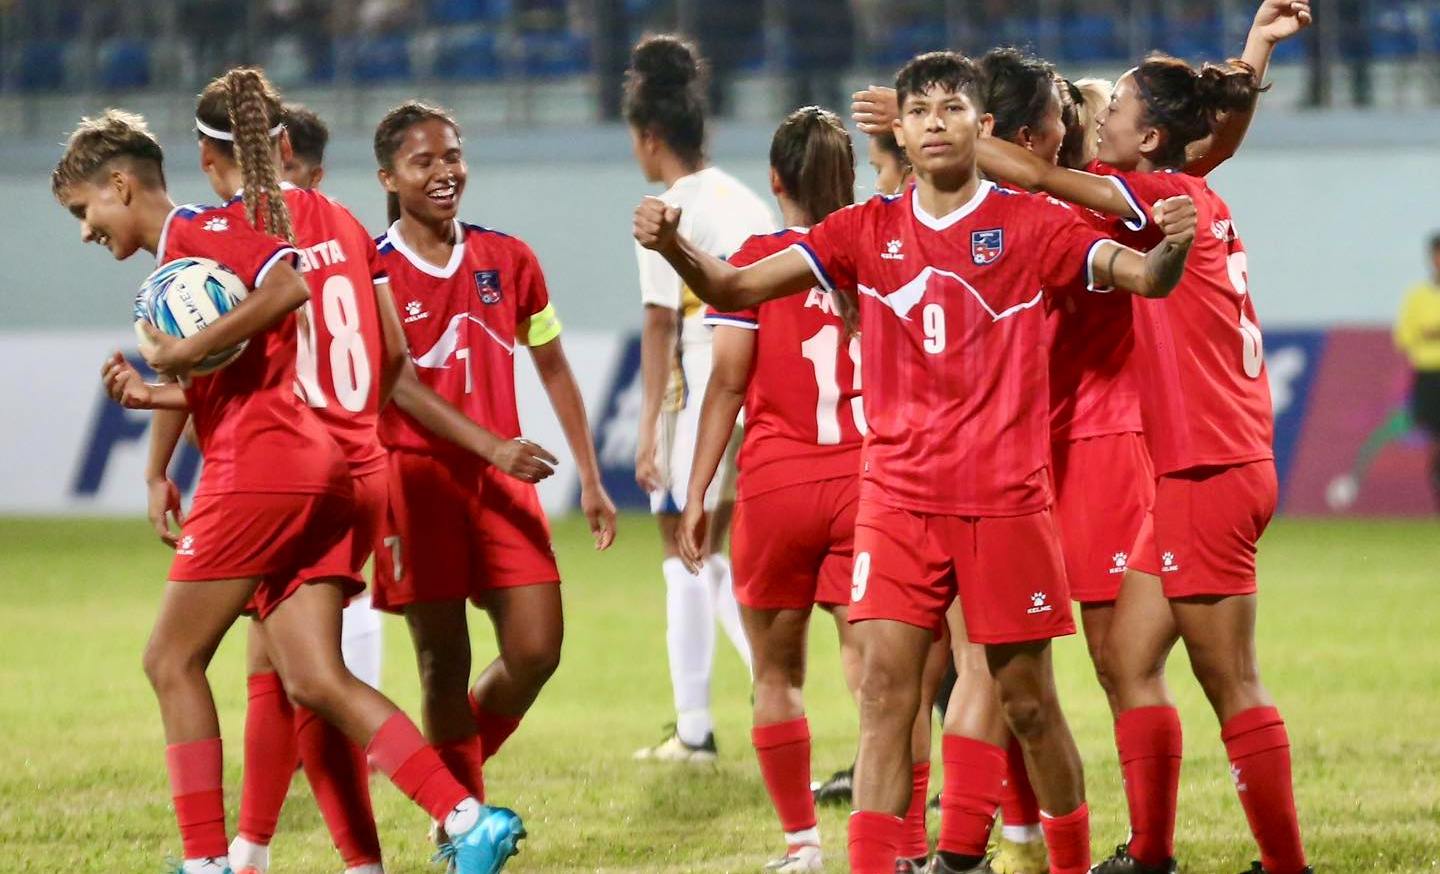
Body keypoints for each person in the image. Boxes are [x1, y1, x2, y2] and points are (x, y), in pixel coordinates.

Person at [635, 50, 1198, 874]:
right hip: (897, 506)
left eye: (952, 108)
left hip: (1007, 505)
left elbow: (1143, 277)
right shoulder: (864, 230)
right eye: (921, 110)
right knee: (882, 701)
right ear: (899, 129)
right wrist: (677, 250)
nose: (936, 123)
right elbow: (733, 289)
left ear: (982, 126)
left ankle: (1065, 860)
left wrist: (1171, 250)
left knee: (1028, 705)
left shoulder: (1030, 223)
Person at [56, 100, 521, 874]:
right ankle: (467, 818)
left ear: (121, 185)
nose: (84, 230)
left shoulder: (202, 231)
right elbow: (257, 356)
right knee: (314, 678)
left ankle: (210, 862)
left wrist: (185, 354)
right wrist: (162, 391)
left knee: (170, 660)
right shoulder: (218, 245)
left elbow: (287, 288)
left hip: (259, 470)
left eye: (84, 210)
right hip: (321, 465)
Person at [967, 9, 1315, 871]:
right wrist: (1256, 51)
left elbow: (1036, 175)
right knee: (1127, 658)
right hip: (1202, 466)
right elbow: (1211, 133)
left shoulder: (1154, 198)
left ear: (1150, 138)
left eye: (1116, 108)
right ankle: (1150, 854)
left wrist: (943, 133)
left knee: (1230, 679)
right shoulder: (1185, 196)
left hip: (1208, 466)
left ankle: (1286, 867)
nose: (1103, 118)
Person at [368, 99, 617, 830]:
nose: (444, 172)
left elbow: (554, 365)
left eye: (452, 156)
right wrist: (494, 446)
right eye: (423, 161)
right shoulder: (374, 269)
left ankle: (448, 786)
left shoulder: (509, 258)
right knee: (442, 663)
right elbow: (396, 382)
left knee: (538, 649)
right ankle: (465, 822)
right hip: (416, 483)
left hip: (502, 484)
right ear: (389, 177)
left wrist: (591, 476)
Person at [678, 105, 860, 872]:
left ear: (775, 180)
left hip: (777, 485)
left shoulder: (751, 262)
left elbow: (726, 383)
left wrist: (697, 493)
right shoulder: (874, 251)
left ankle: (801, 844)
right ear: (847, 179)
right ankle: (901, 843)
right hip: (866, 482)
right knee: (883, 680)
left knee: (776, 675)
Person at [624, 33, 773, 761]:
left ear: (650, 137)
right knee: (713, 556)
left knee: (683, 553)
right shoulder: (744, 199)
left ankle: (699, 725)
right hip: (757, 387)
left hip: (702, 392)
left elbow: (661, 326)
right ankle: (759, 691)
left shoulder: (666, 210)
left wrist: (648, 432)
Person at [1394, 233, 1440, 510]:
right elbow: (1404, 337)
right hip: (1429, 375)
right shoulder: (1417, 297)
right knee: (1435, 436)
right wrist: (1428, 335)